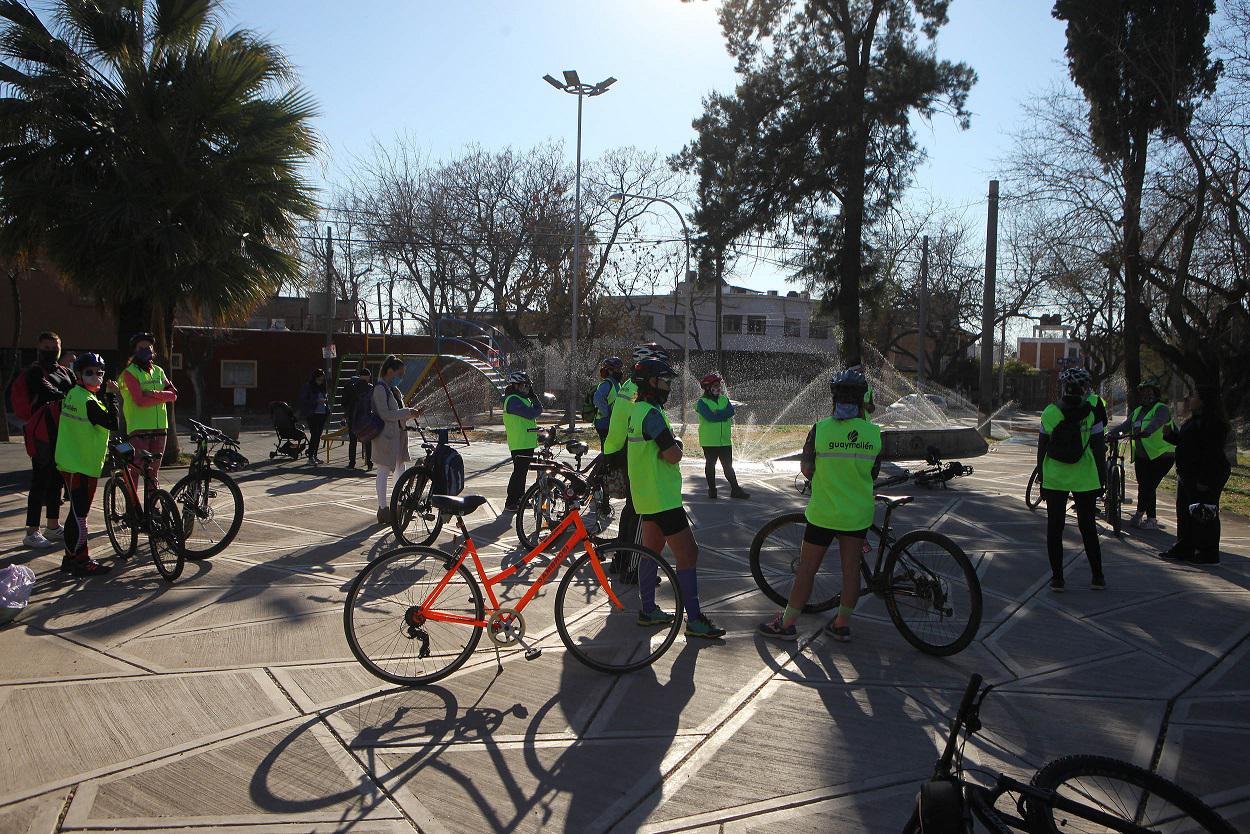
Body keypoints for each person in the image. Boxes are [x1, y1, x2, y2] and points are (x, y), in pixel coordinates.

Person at [758, 368, 882, 641]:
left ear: (834, 398)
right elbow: (873, 473)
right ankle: (841, 624)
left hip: (823, 514)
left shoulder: (821, 430)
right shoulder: (874, 433)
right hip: (857, 515)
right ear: (862, 399)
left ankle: (788, 623)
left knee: (807, 570)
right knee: (851, 571)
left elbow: (806, 469)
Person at [627, 356, 725, 639]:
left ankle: (647, 610)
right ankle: (694, 619)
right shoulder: (653, 415)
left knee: (652, 552)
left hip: (646, 496)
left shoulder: (637, 411)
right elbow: (672, 455)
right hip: (664, 497)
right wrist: (677, 446)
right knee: (689, 554)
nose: (668, 386)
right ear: (650, 383)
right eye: (664, 381)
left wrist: (670, 446)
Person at [1038, 366, 1107, 592]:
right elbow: (1098, 448)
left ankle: (1057, 578)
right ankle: (1097, 577)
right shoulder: (1093, 412)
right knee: (1087, 527)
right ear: (1085, 388)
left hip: (1055, 477)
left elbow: (1042, 447)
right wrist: (1102, 479)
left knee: (1054, 528)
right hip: (1085, 477)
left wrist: (1041, 475)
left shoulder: (1050, 412)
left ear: (1063, 387)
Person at [54, 353, 121, 576]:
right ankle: (80, 561)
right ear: (79, 375)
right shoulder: (87, 401)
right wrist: (112, 396)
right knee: (79, 516)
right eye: (89, 373)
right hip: (81, 465)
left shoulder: (74, 394)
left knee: (75, 513)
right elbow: (113, 422)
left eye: (99, 373)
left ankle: (69, 558)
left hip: (72, 462)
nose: (96, 377)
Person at [605, 343, 667, 548]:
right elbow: (643, 421)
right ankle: (631, 564)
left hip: (617, 447)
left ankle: (623, 557)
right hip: (628, 451)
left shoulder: (630, 384)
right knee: (640, 509)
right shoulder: (640, 388)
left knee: (632, 507)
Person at [1162, 385, 1231, 565]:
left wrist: (1204, 479)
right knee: (1186, 513)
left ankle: (1208, 553)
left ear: (1203, 402)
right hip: (1188, 475)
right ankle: (1185, 548)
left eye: (1193, 396)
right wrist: (1170, 436)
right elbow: (1188, 443)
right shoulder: (1194, 420)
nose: (1188, 399)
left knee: (1205, 514)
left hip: (1204, 476)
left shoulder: (1213, 423)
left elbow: (1212, 453)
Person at [21, 331, 76, 549]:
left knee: (56, 480)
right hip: (43, 432)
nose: (51, 352)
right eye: (47, 348)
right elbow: (47, 391)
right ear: (38, 349)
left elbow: (76, 389)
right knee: (39, 480)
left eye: (55, 348)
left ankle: (52, 526)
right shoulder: (35, 371)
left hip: (63, 431)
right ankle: (31, 531)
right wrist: (67, 397)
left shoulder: (64, 371)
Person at [1107, 379, 1175, 530]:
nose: (1146, 395)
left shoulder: (1161, 409)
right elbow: (1125, 426)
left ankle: (1139, 514)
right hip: (1142, 456)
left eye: (1150, 392)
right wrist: (1110, 434)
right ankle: (1151, 519)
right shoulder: (1137, 412)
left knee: (1149, 486)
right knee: (1145, 486)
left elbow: (1157, 422)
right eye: (1144, 392)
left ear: (1156, 394)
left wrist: (1147, 432)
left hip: (1162, 456)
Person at [118, 332, 177, 502]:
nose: (146, 350)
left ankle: (152, 509)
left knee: (153, 473)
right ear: (135, 351)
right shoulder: (129, 373)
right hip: (139, 428)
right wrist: (162, 396)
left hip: (160, 428)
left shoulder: (159, 371)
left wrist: (153, 393)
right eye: (141, 348)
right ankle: (132, 508)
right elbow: (139, 401)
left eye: (149, 347)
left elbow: (173, 395)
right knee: (135, 470)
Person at [370, 355, 418, 524]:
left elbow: (398, 414)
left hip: (398, 436)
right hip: (385, 437)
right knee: (383, 470)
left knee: (400, 469)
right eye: (400, 373)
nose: (401, 378)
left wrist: (411, 413)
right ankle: (383, 509)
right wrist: (407, 412)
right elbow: (385, 414)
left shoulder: (394, 390)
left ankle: (399, 505)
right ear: (390, 371)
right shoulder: (380, 389)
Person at [695, 372, 749, 500]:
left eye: (718, 385)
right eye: (715, 385)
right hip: (709, 441)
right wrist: (722, 414)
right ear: (707, 387)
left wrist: (717, 413)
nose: (718, 387)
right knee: (710, 465)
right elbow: (709, 417)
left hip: (725, 440)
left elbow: (731, 412)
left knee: (728, 466)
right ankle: (712, 490)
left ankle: (735, 490)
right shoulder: (701, 402)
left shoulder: (724, 399)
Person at [502, 370, 542, 512]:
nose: (527, 389)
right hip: (519, 443)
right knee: (519, 472)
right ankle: (511, 501)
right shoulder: (512, 400)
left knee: (522, 472)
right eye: (525, 386)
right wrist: (536, 400)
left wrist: (533, 398)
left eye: (528, 386)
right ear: (516, 386)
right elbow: (532, 413)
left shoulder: (523, 399)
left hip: (526, 442)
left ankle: (520, 498)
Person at [342, 365, 373, 470]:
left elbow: (344, 402)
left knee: (353, 441)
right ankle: (369, 463)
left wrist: (346, 415)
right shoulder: (370, 387)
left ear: (359, 376)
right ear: (368, 376)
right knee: (368, 441)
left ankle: (352, 463)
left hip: (353, 417)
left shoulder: (351, 386)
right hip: (366, 417)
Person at [297, 368, 329, 465]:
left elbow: (325, 396)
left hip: (322, 413)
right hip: (313, 413)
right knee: (314, 435)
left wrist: (325, 400)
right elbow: (303, 400)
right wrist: (316, 401)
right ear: (314, 378)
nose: (320, 382)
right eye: (318, 379)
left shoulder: (322, 387)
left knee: (318, 435)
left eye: (322, 380)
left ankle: (315, 455)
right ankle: (310, 457)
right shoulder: (308, 387)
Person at [592, 357, 625, 446]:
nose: (620, 372)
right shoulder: (607, 383)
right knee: (607, 450)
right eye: (617, 369)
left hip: (611, 422)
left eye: (620, 369)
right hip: (604, 423)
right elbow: (597, 399)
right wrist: (607, 413)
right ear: (609, 371)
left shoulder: (616, 383)